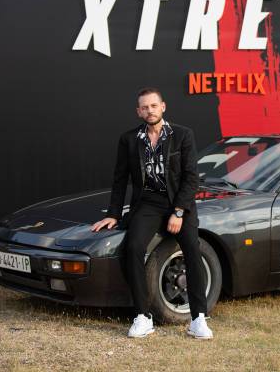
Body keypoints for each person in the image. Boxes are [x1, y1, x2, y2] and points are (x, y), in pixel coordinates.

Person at [91, 87, 213, 339]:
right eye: (144, 107)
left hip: (180, 201)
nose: (150, 110)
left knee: (192, 248)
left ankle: (198, 318)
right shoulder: (129, 139)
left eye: (153, 106)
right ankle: (142, 316)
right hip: (147, 203)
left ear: (163, 107)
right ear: (138, 111)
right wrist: (114, 213)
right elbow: (119, 179)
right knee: (133, 248)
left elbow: (191, 179)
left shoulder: (182, 135)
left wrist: (178, 212)